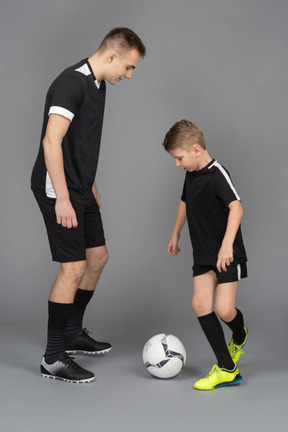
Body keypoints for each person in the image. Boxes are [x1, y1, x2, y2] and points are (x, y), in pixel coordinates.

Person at [31, 27, 146, 383]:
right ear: (112, 56)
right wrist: (63, 197)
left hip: (81, 186)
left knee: (97, 258)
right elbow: (52, 142)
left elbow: (80, 141)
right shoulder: (71, 83)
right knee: (73, 268)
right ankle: (53, 357)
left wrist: (90, 181)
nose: (127, 76)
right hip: (57, 188)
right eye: (128, 68)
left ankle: (72, 333)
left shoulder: (97, 85)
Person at [163, 120, 248, 391]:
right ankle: (227, 369)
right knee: (200, 305)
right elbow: (185, 202)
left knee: (224, 310)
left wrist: (226, 246)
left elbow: (236, 208)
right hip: (202, 254)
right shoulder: (191, 174)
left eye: (179, 158)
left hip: (226, 254)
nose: (178, 164)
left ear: (196, 149)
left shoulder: (217, 173)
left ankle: (239, 333)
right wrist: (175, 233)